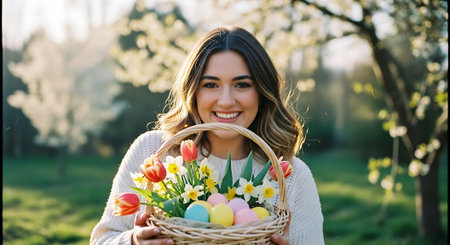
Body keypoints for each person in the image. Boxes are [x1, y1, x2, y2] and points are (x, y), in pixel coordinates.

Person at [90, 26, 324, 245]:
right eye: (211, 85)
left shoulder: (291, 176)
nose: (226, 101)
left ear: (262, 93)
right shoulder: (153, 151)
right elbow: (102, 239)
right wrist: (133, 240)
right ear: (193, 91)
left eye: (242, 85)